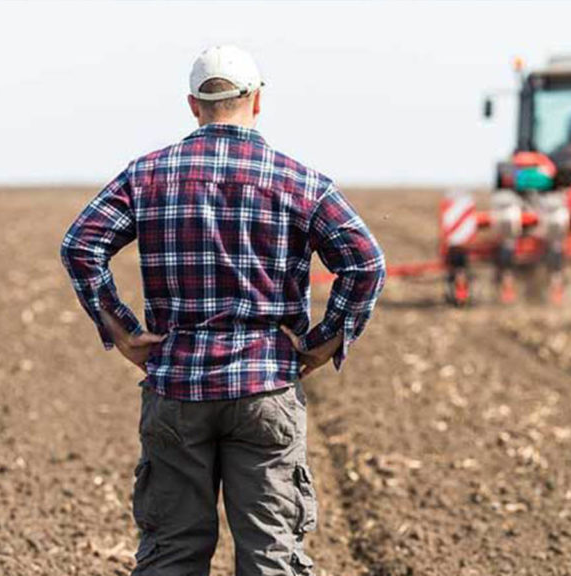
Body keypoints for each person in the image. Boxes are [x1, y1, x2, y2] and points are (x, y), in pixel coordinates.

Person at [60, 45, 385, 576]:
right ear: (256, 101)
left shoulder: (147, 176)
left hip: (177, 387)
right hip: (266, 389)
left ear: (194, 105)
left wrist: (121, 331)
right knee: (271, 556)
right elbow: (366, 261)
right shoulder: (300, 182)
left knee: (171, 556)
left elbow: (80, 245)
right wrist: (328, 339)